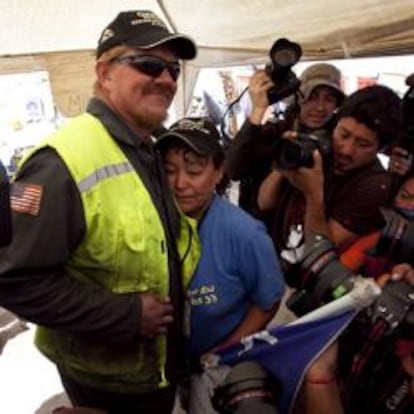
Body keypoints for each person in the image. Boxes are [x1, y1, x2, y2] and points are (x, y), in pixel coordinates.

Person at [0, 10, 200, 414]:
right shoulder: (60, 162)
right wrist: (125, 315)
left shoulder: (145, 147)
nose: (166, 79)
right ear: (105, 73)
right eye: (148, 64)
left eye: (173, 70)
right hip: (105, 384)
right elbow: (14, 280)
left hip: (156, 369)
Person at [156, 117, 285, 413]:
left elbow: (268, 301)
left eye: (194, 170)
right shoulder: (151, 222)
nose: (180, 183)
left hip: (218, 362)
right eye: (169, 170)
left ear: (218, 171)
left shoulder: (246, 234)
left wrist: (224, 350)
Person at [258, 85, 402, 267]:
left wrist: (313, 193)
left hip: (313, 279)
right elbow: (264, 203)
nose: (347, 150)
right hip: (277, 255)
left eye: (363, 144)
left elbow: (319, 252)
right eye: (344, 134)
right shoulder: (320, 147)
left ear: (380, 149)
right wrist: (284, 161)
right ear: (336, 123)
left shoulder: (375, 185)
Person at [225, 62, 345, 215]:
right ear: (299, 98)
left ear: (336, 105)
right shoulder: (276, 131)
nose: (320, 107)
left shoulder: (338, 143)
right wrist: (258, 110)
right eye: (312, 97)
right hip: (256, 225)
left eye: (329, 99)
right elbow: (233, 170)